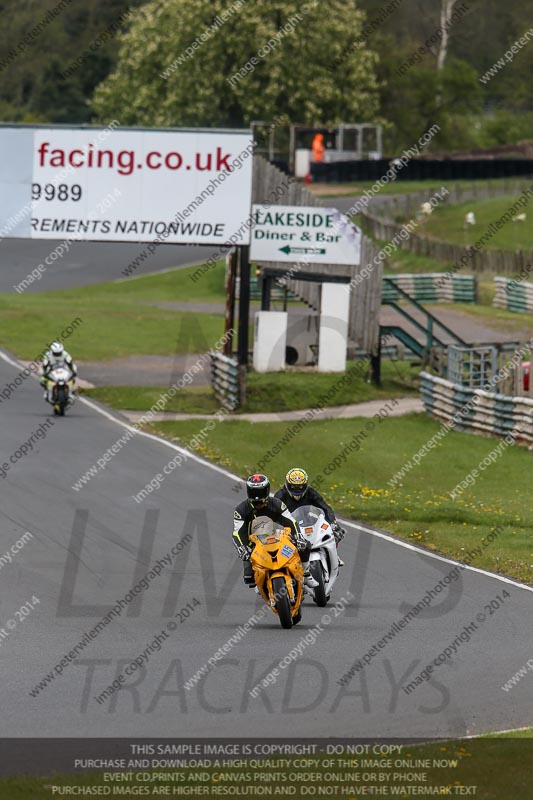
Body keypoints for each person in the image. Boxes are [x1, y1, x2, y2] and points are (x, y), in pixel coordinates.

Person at [232, 473, 318, 589]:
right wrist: (242, 548)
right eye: (254, 492)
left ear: (266, 490)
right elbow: (237, 533)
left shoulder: (277, 504)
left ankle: (306, 574)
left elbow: (291, 521)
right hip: (254, 544)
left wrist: (298, 537)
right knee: (249, 578)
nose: (258, 499)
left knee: (305, 545)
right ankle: (261, 579)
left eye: (260, 492)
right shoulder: (241, 510)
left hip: (278, 538)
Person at [274, 467, 345, 566]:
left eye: (300, 487)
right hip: (288, 526)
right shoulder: (280, 495)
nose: (297, 490)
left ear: (305, 485)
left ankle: (333, 555)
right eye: (293, 486)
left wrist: (332, 522)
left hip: (306, 521)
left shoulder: (310, 493)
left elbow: (325, 507)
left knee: (334, 532)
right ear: (287, 485)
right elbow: (273, 514)